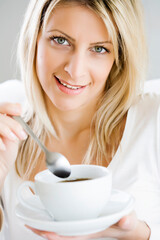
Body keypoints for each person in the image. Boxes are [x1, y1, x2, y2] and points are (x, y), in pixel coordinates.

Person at [0, 0, 159, 239]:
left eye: (99, 49)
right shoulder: (8, 112)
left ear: (120, 56)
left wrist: (137, 234)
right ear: (34, 37)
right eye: (60, 40)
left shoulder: (153, 118)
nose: (75, 70)